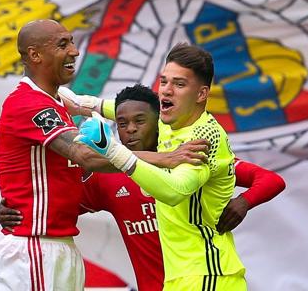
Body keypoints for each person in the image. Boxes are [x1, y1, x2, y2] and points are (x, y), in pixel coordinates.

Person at [0, 83, 286, 291]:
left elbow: (271, 179)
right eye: (122, 123)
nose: (130, 130)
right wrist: (13, 208)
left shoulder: (190, 159)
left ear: (159, 122)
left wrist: (244, 202)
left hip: (205, 281)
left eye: (139, 121)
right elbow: (57, 204)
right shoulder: (109, 176)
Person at [0, 20, 206, 291]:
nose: (74, 51)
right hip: (34, 246)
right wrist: (165, 158)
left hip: (60, 245)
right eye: (63, 44)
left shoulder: (58, 100)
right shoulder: (29, 103)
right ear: (35, 55)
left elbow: (103, 106)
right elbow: (86, 156)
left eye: (71, 41)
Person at [75, 42, 247, 290]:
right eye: (164, 81)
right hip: (183, 278)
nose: (166, 91)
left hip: (208, 275)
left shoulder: (203, 136)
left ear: (201, 94)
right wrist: (81, 102)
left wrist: (114, 151)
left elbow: (174, 191)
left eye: (179, 84)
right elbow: (129, 109)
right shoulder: (171, 122)